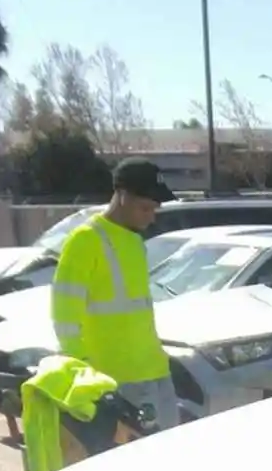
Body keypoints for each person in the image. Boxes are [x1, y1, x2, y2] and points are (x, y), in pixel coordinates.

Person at [48, 159, 180, 431]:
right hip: (114, 380)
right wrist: (83, 371)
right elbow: (64, 316)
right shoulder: (85, 240)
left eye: (154, 209)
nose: (151, 216)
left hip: (154, 370)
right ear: (122, 196)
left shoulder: (134, 241)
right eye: (145, 208)